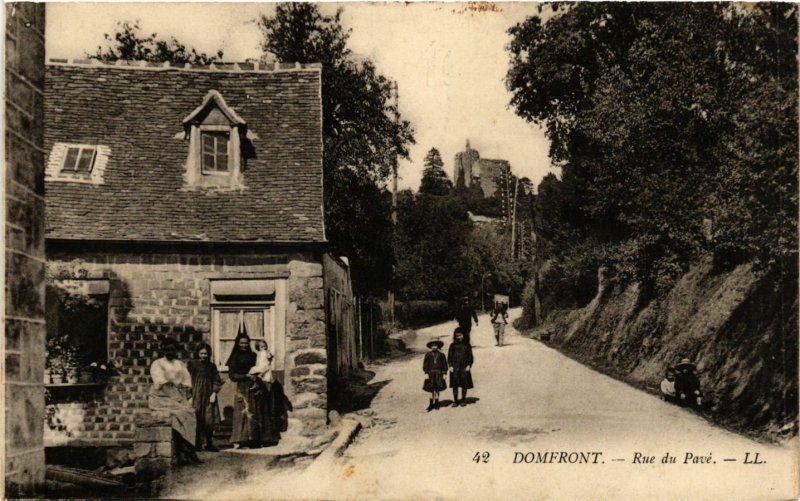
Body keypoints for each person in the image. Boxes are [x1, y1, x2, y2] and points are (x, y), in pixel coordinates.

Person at [225, 328, 280, 448]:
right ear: (238, 343)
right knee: (244, 412)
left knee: (258, 411)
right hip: (243, 387)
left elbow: (262, 365)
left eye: (246, 343)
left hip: (256, 385)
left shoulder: (254, 355)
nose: (244, 345)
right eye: (241, 343)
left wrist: (267, 360)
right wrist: (246, 376)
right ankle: (242, 440)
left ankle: (258, 439)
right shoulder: (234, 357)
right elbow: (232, 376)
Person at [148, 338, 199, 464]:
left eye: (172, 349)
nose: (170, 352)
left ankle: (188, 448)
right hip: (161, 397)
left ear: (176, 350)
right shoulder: (158, 364)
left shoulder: (179, 364)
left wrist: (183, 389)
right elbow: (161, 384)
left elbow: (187, 381)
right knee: (181, 413)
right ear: (163, 350)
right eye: (167, 349)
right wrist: (174, 390)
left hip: (177, 395)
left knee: (190, 413)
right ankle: (184, 450)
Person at [187, 343, 223, 452]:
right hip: (196, 395)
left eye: (206, 354)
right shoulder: (192, 364)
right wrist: (189, 396)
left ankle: (209, 443)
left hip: (208, 395)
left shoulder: (212, 366)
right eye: (201, 353)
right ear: (197, 353)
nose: (203, 356)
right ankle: (197, 444)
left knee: (209, 419)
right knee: (196, 417)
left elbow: (217, 380)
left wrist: (214, 393)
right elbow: (187, 380)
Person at [448, 327, 474, 407]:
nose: (458, 337)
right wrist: (450, 365)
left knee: (464, 384)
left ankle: (463, 400)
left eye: (460, 335)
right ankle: (455, 401)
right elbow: (449, 356)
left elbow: (470, 356)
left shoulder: (467, 345)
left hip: (464, 367)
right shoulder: (452, 345)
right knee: (455, 384)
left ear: (464, 335)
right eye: (457, 336)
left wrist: (469, 365)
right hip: (455, 367)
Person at [422, 339, 448, 411]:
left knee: (437, 389)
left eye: (435, 345)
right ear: (430, 347)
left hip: (439, 374)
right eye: (432, 346)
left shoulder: (442, 355)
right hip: (430, 374)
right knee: (431, 389)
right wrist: (426, 373)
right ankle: (431, 404)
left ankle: (436, 403)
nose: (434, 347)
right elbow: (425, 365)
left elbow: (445, 365)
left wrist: (444, 373)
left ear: (438, 346)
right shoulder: (428, 354)